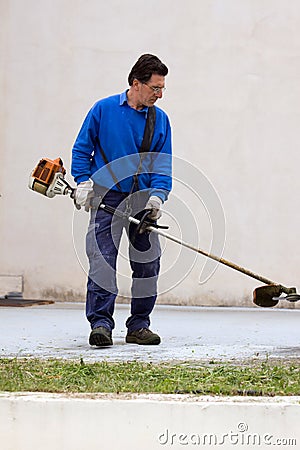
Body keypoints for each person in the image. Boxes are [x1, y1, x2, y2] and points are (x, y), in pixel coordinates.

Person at [71, 54, 172, 347]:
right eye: (155, 88)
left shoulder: (160, 120)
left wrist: (157, 196)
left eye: (163, 88)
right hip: (106, 196)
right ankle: (101, 323)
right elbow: (82, 150)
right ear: (136, 83)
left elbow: (162, 165)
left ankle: (139, 326)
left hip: (141, 199)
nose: (160, 94)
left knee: (148, 263)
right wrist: (83, 182)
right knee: (102, 260)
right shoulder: (103, 110)